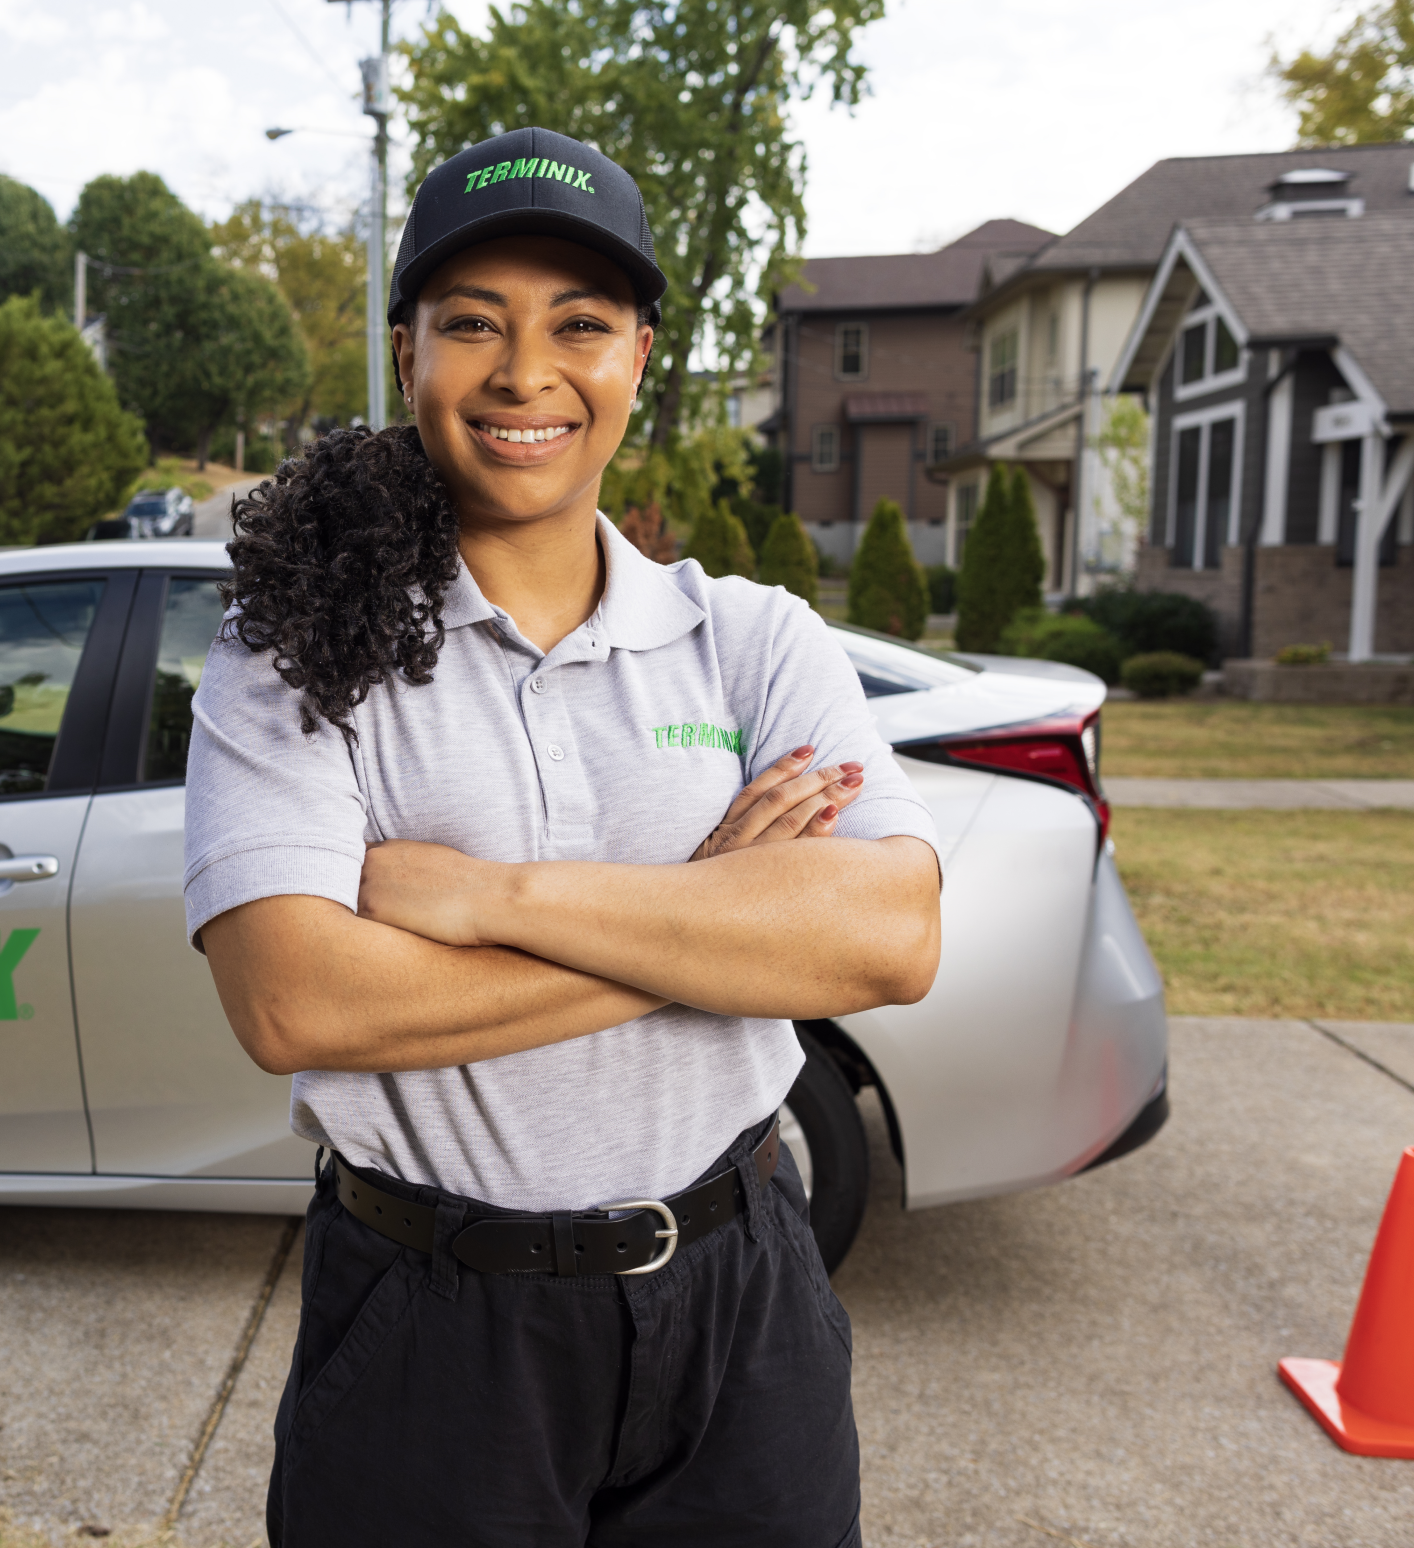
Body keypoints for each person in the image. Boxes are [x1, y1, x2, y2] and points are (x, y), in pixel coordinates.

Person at [184, 127, 943, 1547]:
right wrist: (717, 919)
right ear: (405, 350)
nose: (526, 372)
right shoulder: (296, 644)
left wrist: (485, 898)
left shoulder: (753, 638)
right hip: (431, 1324)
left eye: (579, 324)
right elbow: (294, 999)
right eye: (472, 322)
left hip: (743, 1301)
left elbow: (889, 935)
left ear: (640, 356)